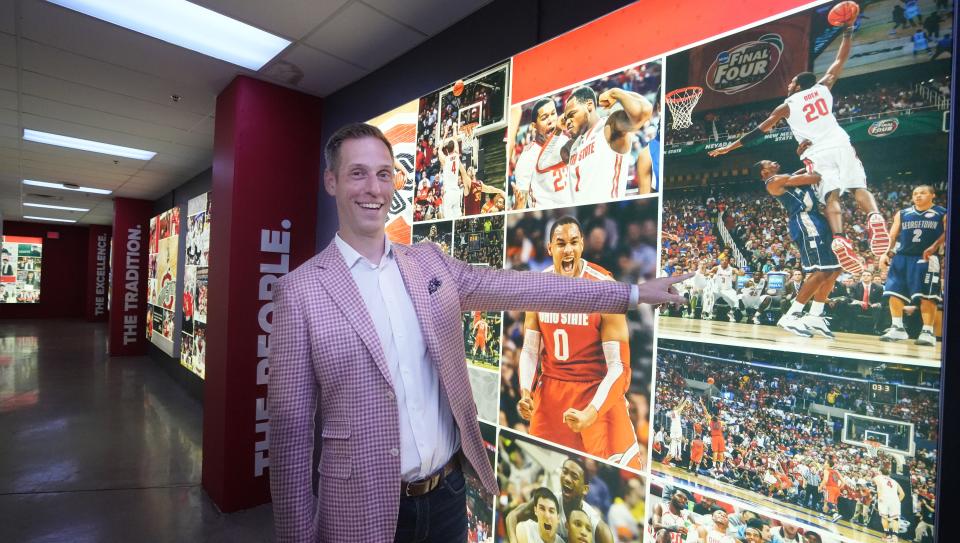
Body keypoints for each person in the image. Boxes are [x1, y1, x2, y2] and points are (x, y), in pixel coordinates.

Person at [269, 123, 689, 542]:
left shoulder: (430, 264)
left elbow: (529, 286)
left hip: (448, 496)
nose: (374, 188)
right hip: (358, 509)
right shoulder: (299, 291)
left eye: (383, 174)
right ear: (331, 181)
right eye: (357, 173)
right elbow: (289, 434)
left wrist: (633, 293)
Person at [709, 22, 889, 274]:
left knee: (831, 196)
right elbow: (840, 59)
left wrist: (730, 147)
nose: (788, 85)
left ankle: (839, 237)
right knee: (859, 187)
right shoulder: (824, 87)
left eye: (791, 83)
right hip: (840, 142)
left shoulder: (787, 104)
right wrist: (847, 32)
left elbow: (760, 130)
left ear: (796, 85)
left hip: (816, 151)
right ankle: (875, 217)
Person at [517, 216, 644, 469]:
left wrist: (592, 412)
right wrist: (525, 392)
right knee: (545, 472)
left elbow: (619, 367)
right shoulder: (536, 287)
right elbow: (530, 350)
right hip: (552, 389)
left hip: (595, 390)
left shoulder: (605, 288)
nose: (568, 249)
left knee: (621, 472)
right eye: (561, 243)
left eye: (574, 242)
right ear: (550, 249)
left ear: (582, 246)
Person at [753, 159, 842, 338]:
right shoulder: (773, 181)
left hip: (817, 219)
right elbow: (815, 177)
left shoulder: (786, 177)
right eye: (768, 162)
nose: (774, 161)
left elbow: (801, 173)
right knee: (821, 271)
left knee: (834, 269)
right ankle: (792, 315)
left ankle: (815, 315)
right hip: (806, 221)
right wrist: (825, 160)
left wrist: (809, 156)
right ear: (764, 173)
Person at [560, 86, 653, 204]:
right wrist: (558, 130)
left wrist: (617, 93)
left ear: (589, 105)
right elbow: (563, 153)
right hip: (583, 217)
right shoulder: (575, 145)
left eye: (572, 114)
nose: (568, 121)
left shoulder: (609, 126)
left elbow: (643, 112)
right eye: (566, 118)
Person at [879, 185, 945, 346]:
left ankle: (927, 331)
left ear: (932, 195)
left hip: (926, 258)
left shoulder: (942, 213)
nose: (918, 196)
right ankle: (897, 327)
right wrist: (885, 253)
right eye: (915, 193)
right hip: (902, 257)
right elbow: (892, 235)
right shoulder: (903, 213)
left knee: (927, 295)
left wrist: (934, 246)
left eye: (923, 193)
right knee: (894, 291)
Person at [510, 98, 573, 209]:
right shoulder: (527, 158)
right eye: (544, 118)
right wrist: (518, 204)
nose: (550, 120)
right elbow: (520, 204)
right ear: (534, 126)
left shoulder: (564, 140)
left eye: (553, 114)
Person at [873, 465, 906, 542]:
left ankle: (887, 535)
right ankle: (895, 536)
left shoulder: (879, 477)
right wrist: (897, 502)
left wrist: (880, 495)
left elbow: (875, 481)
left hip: (884, 498)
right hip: (895, 500)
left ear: (880, 472)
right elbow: (902, 494)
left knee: (884, 517)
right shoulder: (895, 481)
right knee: (895, 518)